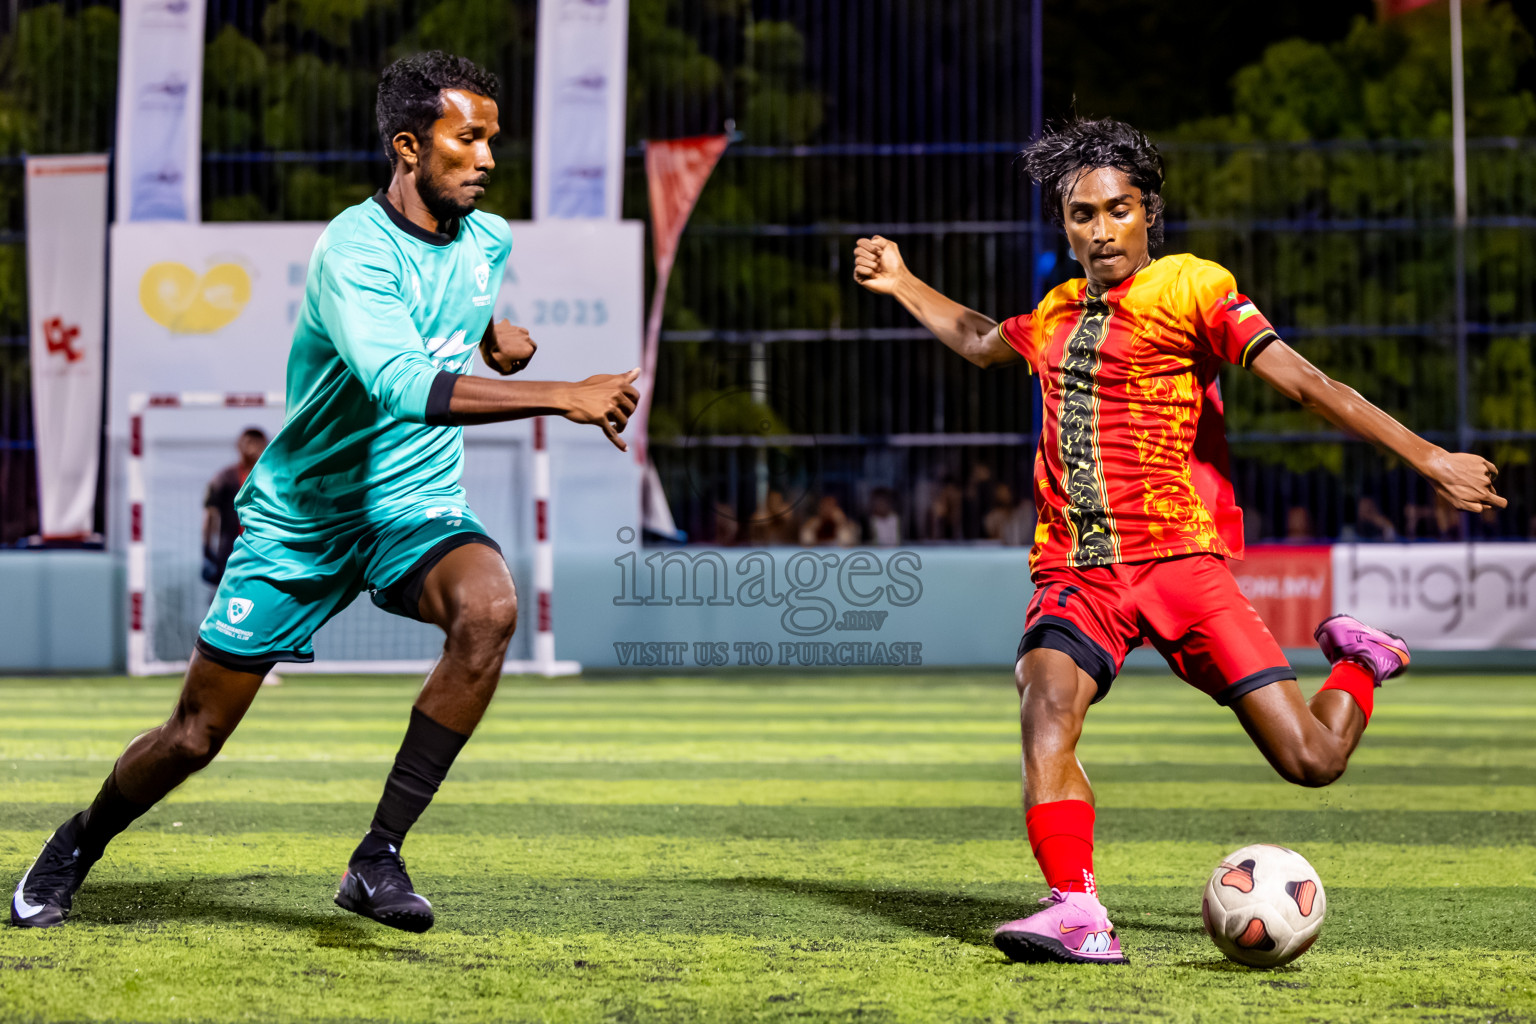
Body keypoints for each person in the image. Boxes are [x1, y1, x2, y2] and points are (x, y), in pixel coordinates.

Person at [852, 116, 1504, 965]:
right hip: (1077, 571)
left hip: (1178, 565)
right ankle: (1077, 912)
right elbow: (981, 341)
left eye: (1116, 210)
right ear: (1066, 225)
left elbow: (1304, 383)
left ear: (1149, 213)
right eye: (1081, 214)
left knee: (1312, 761)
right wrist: (904, 281)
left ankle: (1362, 661)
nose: (1100, 229)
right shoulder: (1054, 313)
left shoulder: (1194, 287)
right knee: (1044, 705)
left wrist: (1429, 456)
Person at [12, 51, 640, 933]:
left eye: (494, 139)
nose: (490, 158)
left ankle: (376, 857)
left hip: (410, 508)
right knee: (195, 734)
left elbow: (457, 303)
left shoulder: (487, 241)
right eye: (471, 139)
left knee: (490, 610)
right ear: (410, 146)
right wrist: (561, 391)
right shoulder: (351, 249)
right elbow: (403, 387)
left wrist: (494, 335)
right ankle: (81, 840)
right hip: (304, 522)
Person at [202, 428, 267, 586]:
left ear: (265, 446)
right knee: (227, 603)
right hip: (230, 553)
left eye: (256, 443)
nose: (252, 447)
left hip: (263, 553)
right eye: (248, 442)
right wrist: (207, 548)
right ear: (238, 445)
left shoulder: (270, 476)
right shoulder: (225, 477)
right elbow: (210, 513)